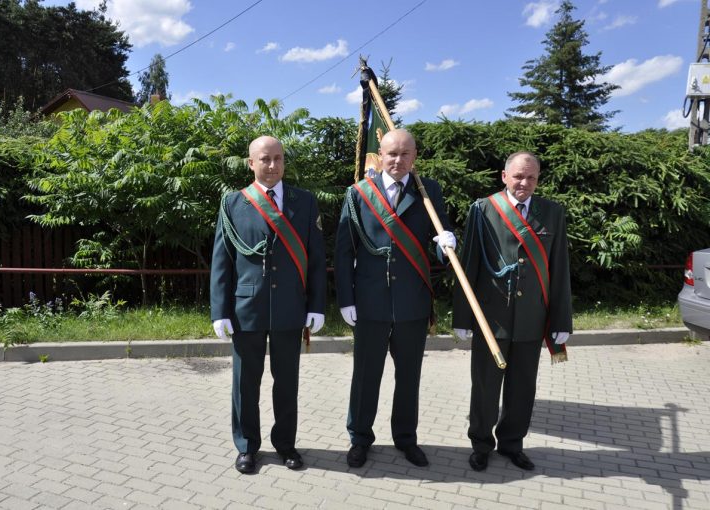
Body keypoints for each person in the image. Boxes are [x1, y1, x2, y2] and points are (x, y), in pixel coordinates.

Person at [334, 129, 457, 468]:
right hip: (370, 302)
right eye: (392, 154)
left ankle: (406, 438)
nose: (398, 160)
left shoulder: (427, 190)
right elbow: (344, 251)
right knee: (365, 376)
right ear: (381, 156)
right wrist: (346, 298)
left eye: (405, 154)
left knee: (409, 377)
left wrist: (446, 244)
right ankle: (360, 438)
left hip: (412, 301)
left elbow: (438, 236)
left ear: (414, 156)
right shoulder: (358, 193)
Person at [210, 135, 327, 474]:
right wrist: (220, 310)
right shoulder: (233, 203)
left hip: (291, 308)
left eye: (278, 158)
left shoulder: (304, 203)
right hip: (247, 309)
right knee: (246, 382)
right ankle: (247, 446)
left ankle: (286, 444)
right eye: (265, 159)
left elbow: (316, 259)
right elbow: (223, 261)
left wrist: (316, 305)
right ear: (251, 163)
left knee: (287, 381)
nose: (272, 165)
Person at [451, 151, 572, 472]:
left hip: (532, 318)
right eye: (518, 176)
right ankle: (480, 443)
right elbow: (469, 266)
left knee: (522, 388)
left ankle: (511, 444)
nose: (524, 183)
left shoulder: (552, 213)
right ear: (504, 177)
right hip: (492, 319)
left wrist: (561, 319)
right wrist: (462, 317)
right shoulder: (483, 210)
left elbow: (559, 269)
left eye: (531, 177)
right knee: (485, 387)